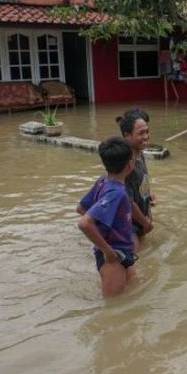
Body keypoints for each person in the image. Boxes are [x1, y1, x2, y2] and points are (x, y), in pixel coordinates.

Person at [77, 137, 137, 298]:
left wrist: (104, 224)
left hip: (123, 253)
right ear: (129, 164)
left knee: (136, 288)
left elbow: (81, 208)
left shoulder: (103, 181)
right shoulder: (116, 193)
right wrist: (108, 251)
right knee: (114, 309)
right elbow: (84, 223)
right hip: (113, 257)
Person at [116, 107, 154, 251]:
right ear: (127, 135)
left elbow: (141, 183)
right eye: (141, 133)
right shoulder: (126, 164)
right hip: (127, 223)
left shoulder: (140, 153)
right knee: (135, 261)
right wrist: (145, 223)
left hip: (139, 219)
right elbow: (127, 201)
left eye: (147, 131)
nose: (146, 136)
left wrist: (148, 196)